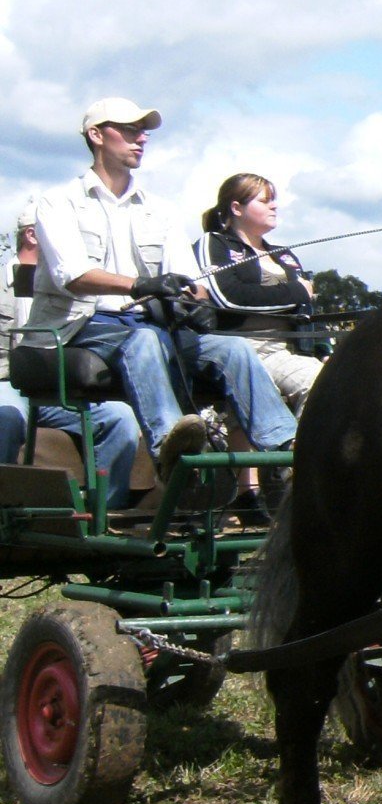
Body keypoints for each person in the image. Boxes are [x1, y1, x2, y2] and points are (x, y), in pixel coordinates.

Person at [25, 98, 296, 489]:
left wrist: (196, 305)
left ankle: (285, 451)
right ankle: (172, 451)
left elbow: (189, 279)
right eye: (130, 130)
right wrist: (139, 285)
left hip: (146, 323)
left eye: (144, 131)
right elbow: (74, 276)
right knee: (144, 340)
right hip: (80, 324)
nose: (141, 138)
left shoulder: (159, 209)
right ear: (97, 135)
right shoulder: (58, 202)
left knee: (233, 348)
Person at [2, 201, 143, 506]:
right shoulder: (3, 281)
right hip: (6, 381)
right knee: (7, 415)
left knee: (120, 417)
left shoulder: (75, 286)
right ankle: (6, 509)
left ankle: (107, 512)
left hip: (52, 384)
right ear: (32, 235)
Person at [195, 173, 322, 410]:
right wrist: (296, 291)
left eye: (273, 200)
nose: (274, 206)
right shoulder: (215, 244)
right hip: (240, 350)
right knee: (263, 401)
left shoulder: (283, 254)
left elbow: (306, 309)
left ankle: (302, 446)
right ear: (236, 208)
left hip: (285, 351)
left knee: (323, 382)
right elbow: (227, 296)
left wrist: (322, 348)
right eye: (264, 201)